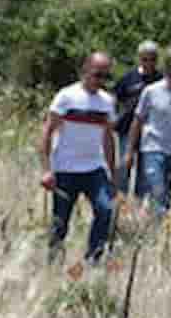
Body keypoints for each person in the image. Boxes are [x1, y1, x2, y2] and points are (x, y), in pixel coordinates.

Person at [40, 52, 118, 264]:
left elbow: (108, 138)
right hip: (65, 169)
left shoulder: (107, 102)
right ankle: (52, 263)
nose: (100, 80)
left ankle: (92, 260)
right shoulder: (66, 97)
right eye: (96, 74)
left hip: (94, 169)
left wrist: (113, 173)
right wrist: (47, 169)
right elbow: (47, 131)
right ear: (85, 71)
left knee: (105, 210)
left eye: (105, 76)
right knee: (60, 222)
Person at [124, 55, 171, 219]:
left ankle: (160, 227)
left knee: (170, 195)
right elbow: (137, 121)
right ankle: (157, 225)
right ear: (165, 72)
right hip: (153, 148)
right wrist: (129, 151)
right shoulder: (151, 91)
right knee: (158, 189)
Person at [113, 41, 162, 198]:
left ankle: (139, 209)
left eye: (152, 59)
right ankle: (119, 204)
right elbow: (115, 100)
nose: (149, 63)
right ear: (139, 58)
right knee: (123, 168)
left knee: (145, 174)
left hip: (150, 133)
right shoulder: (128, 78)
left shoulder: (160, 79)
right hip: (126, 130)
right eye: (145, 59)